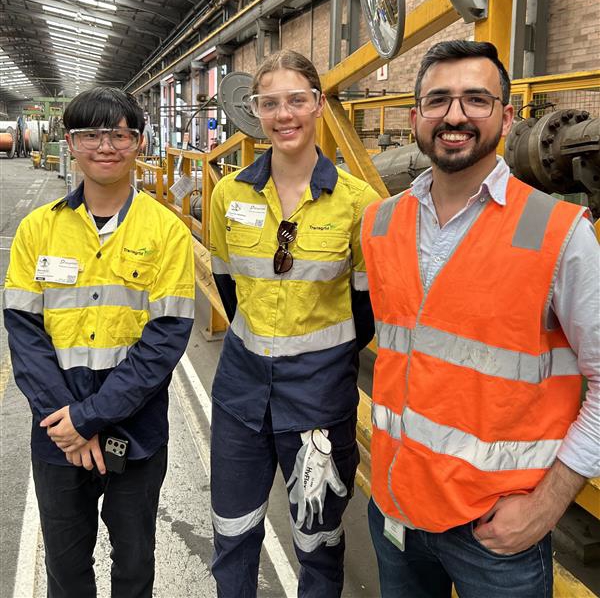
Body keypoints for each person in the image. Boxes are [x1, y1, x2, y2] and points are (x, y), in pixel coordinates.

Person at [361, 39, 600, 598]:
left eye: (476, 99)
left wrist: (547, 506)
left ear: (506, 117)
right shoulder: (380, 223)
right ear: (416, 117)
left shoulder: (558, 233)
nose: (455, 115)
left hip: (497, 534)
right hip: (395, 508)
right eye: (438, 100)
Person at [4, 87, 195, 598]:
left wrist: (89, 418)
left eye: (119, 135)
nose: (105, 146)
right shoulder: (37, 230)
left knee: (134, 562)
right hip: (57, 430)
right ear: (70, 143)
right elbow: (24, 334)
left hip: (136, 427)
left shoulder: (166, 231)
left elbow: (165, 340)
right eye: (90, 134)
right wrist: (68, 422)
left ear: (139, 143)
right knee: (66, 568)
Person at [209, 50, 379, 597]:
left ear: (319, 105)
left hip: (318, 403)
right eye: (270, 103)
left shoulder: (358, 203)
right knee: (233, 533)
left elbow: (365, 310)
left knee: (318, 542)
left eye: (297, 100)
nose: (284, 115)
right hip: (241, 397)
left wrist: (316, 357)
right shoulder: (228, 195)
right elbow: (229, 288)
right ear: (256, 111)